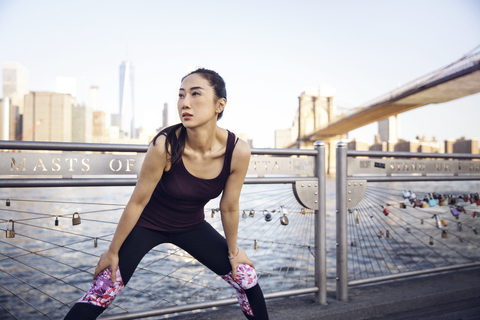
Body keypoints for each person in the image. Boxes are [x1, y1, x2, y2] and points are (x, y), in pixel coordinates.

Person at [64, 68, 269, 320]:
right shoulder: (165, 145)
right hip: (147, 225)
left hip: (192, 226)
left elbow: (229, 206)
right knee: (103, 290)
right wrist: (112, 250)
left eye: (195, 94)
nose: (185, 103)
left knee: (246, 278)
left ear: (220, 104)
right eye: (181, 95)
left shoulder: (238, 151)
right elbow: (138, 201)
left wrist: (234, 251)